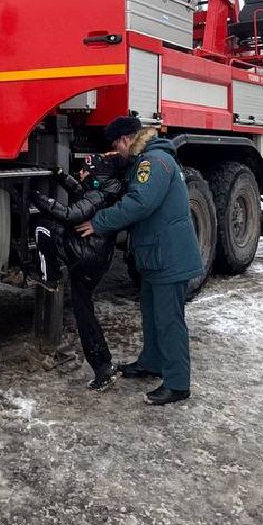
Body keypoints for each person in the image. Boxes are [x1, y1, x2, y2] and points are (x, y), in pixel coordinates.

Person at [78, 115, 203, 406]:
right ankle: (152, 362)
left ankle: (177, 383)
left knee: (170, 320)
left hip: (168, 256)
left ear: (126, 140)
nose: (118, 152)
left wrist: (99, 222)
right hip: (156, 254)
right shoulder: (148, 160)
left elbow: (139, 203)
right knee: (151, 312)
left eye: (116, 146)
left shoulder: (153, 162)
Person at [30, 154, 126, 390]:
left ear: (96, 177)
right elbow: (82, 192)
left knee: (43, 227)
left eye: (85, 171)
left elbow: (72, 213)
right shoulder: (105, 189)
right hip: (93, 257)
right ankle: (103, 366)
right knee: (84, 312)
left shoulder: (98, 193)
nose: (81, 174)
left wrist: (38, 199)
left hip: (84, 257)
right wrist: (62, 177)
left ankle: (48, 276)